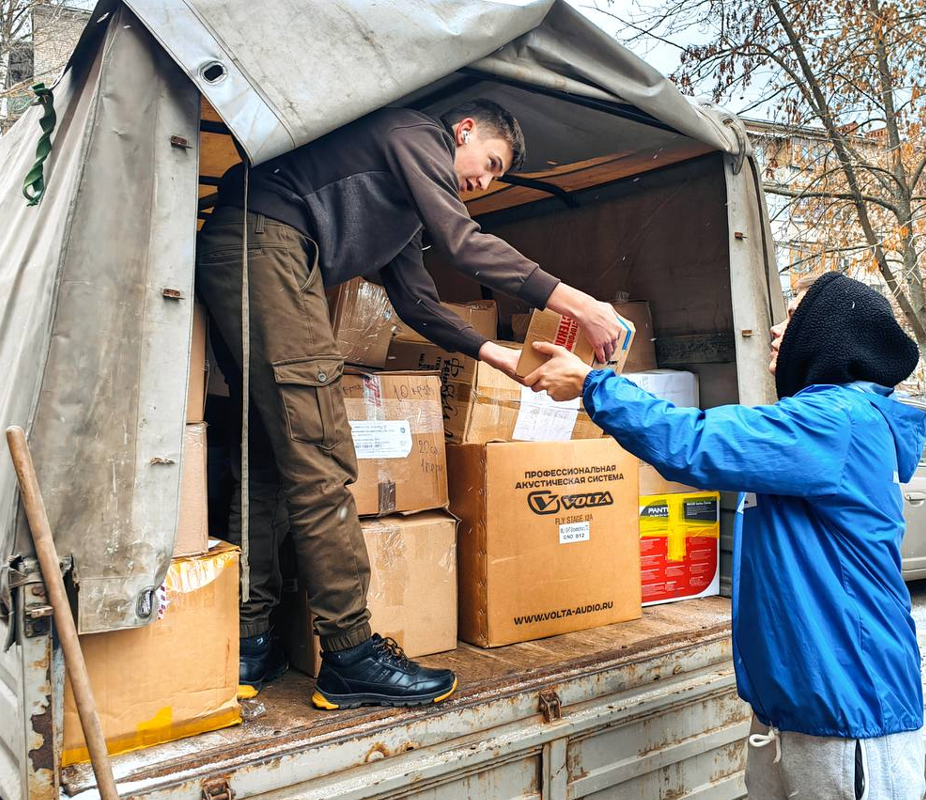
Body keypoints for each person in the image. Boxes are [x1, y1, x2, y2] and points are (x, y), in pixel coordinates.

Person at [196, 98, 624, 710]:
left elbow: (418, 303)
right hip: (267, 244)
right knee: (321, 455)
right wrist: (577, 304)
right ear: (464, 129)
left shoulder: (400, 203)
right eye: (491, 163)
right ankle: (348, 656)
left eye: (496, 177)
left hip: (250, 246)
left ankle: (250, 643)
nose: (484, 181)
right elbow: (462, 241)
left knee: (266, 451)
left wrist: (498, 356)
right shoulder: (414, 132)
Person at [525, 271, 926, 800]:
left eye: (794, 318)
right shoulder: (816, 422)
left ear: (830, 335)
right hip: (792, 708)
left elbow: (696, 443)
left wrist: (591, 386)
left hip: (848, 711)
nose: (777, 330)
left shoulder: (838, 422)